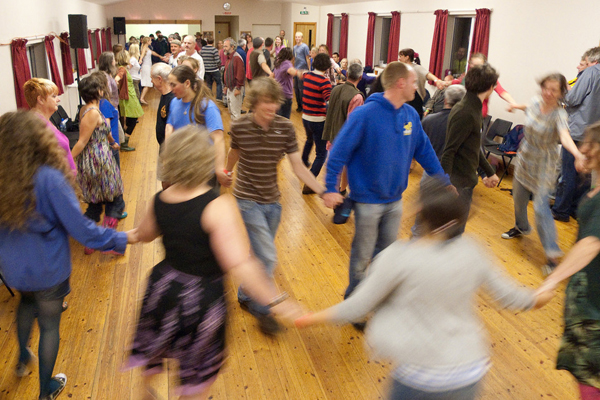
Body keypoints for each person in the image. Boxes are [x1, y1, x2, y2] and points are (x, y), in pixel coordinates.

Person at [297, 178, 552, 400]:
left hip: (420, 377)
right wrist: (537, 298)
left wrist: (308, 318)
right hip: (470, 371)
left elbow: (358, 305)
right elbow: (509, 295)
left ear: (421, 212)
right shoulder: (472, 250)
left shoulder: (397, 257)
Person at [125, 125, 300, 399]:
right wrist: (277, 301)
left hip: (162, 288)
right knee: (197, 375)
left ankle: (146, 391)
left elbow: (141, 235)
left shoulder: (159, 199)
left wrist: (111, 237)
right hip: (200, 300)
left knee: (157, 345)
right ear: (204, 162)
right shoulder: (217, 206)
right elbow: (241, 264)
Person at [0, 111, 133, 400]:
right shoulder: (48, 178)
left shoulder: (3, 177)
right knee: (49, 325)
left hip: (14, 266)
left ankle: (22, 358)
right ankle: (46, 391)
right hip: (47, 268)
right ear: (39, 140)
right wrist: (120, 238)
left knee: (25, 304)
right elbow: (82, 230)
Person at [322, 62, 452, 310]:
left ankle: (375, 296)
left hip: (394, 201)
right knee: (362, 256)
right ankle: (355, 303)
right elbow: (338, 153)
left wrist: (442, 180)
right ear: (400, 83)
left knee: (385, 257)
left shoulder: (410, 115)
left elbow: (424, 150)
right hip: (368, 202)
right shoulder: (365, 115)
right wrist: (330, 188)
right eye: (414, 82)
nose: (418, 87)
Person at [222, 77, 324, 335]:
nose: (271, 108)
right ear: (254, 103)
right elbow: (234, 152)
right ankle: (263, 308)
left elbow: (298, 166)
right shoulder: (241, 125)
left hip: (273, 201)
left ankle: (246, 292)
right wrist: (225, 172)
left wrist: (322, 190)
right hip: (246, 198)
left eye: (275, 103)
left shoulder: (286, 127)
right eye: (266, 103)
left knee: (258, 254)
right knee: (267, 255)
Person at [537, 121, 600, 400]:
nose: (583, 148)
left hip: (595, 306)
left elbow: (591, 243)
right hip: (586, 296)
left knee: (590, 378)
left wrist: (552, 278)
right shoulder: (595, 185)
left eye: (589, 143)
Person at [502, 74, 586, 274]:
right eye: (546, 88)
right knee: (519, 198)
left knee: (540, 208)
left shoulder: (560, 115)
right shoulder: (535, 101)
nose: (548, 93)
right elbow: (528, 107)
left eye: (554, 90)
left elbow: (565, 136)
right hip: (525, 158)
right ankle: (521, 226)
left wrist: (577, 154)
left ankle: (552, 256)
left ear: (561, 93)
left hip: (543, 164)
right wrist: (515, 106)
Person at [440, 64, 500, 235]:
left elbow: (472, 147)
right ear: (490, 88)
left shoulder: (473, 107)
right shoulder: (465, 111)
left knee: (455, 233)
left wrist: (489, 171)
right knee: (452, 235)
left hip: (465, 181)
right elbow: (449, 150)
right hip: (458, 185)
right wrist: (445, 183)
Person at [70, 74, 124, 254]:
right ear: (98, 91)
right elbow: (82, 141)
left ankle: (91, 241)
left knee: (95, 202)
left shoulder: (88, 109)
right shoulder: (93, 113)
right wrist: (68, 161)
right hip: (98, 160)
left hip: (96, 157)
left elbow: (102, 131)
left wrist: (112, 141)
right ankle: (108, 241)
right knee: (115, 199)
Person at [411, 84, 467, 238]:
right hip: (455, 176)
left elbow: (417, 145)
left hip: (430, 175)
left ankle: (416, 240)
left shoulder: (429, 120)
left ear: (445, 99)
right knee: (451, 219)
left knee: (423, 214)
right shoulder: (464, 124)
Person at [552, 47, 600, 222]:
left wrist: (565, 91)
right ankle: (575, 209)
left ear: (593, 61)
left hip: (578, 130)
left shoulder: (591, 72)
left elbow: (573, 100)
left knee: (568, 173)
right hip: (595, 134)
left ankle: (560, 210)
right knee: (585, 175)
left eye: (585, 62)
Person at [165, 65, 227, 187]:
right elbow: (170, 128)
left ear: (187, 83)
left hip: (204, 171)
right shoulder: (174, 103)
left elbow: (218, 138)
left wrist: (219, 169)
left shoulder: (207, 107)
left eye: (173, 85)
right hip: (183, 169)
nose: (170, 88)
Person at [322, 62, 365, 194]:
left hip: (332, 135)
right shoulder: (357, 96)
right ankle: (342, 191)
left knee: (334, 168)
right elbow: (353, 124)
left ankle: (334, 192)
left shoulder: (335, 89)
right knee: (346, 167)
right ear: (360, 77)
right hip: (345, 140)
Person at [23, 78, 76, 174]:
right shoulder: (36, 125)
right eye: (54, 96)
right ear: (41, 100)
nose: (58, 99)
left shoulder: (45, 121)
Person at [300, 53, 333, 192]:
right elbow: (329, 102)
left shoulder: (306, 75)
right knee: (321, 154)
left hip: (305, 117)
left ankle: (303, 161)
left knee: (309, 139)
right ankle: (310, 183)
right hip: (318, 120)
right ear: (326, 67)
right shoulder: (324, 81)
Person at [452, 53, 519, 117]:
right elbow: (458, 82)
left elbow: (501, 91)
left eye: (477, 65)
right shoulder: (468, 76)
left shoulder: (487, 78)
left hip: (478, 113)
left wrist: (513, 102)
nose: (473, 67)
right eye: (472, 63)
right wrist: (444, 82)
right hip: (465, 110)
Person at [98, 51, 134, 153]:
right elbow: (106, 93)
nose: (115, 61)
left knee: (118, 134)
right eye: (113, 59)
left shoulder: (107, 75)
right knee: (115, 136)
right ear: (110, 62)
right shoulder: (105, 76)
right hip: (110, 110)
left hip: (112, 108)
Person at [398, 48, 447, 119]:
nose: (399, 59)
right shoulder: (401, 68)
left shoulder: (417, 68)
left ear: (407, 57)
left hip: (415, 99)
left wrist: (437, 80)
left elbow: (427, 74)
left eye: (400, 56)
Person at [151, 63, 175, 190]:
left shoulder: (172, 100)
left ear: (159, 79)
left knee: (168, 183)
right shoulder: (165, 95)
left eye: (152, 78)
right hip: (164, 149)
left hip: (169, 151)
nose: (151, 81)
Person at [115, 50, 144, 150]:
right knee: (133, 118)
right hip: (129, 97)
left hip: (129, 96)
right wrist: (115, 82)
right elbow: (117, 78)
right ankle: (124, 142)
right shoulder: (122, 69)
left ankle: (124, 140)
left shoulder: (121, 68)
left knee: (129, 119)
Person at [272, 47, 302, 119]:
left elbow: (272, 75)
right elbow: (291, 70)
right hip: (285, 94)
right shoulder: (287, 63)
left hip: (277, 93)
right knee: (284, 119)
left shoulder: (278, 63)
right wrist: (299, 73)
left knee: (277, 118)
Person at [223, 37, 246, 120]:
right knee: (231, 111)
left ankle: (237, 132)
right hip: (230, 88)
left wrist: (238, 88)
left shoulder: (236, 58)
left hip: (235, 88)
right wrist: (226, 86)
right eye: (223, 46)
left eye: (226, 46)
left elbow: (240, 74)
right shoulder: (229, 57)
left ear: (232, 47)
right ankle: (234, 131)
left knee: (236, 113)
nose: (224, 49)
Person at [200, 37, 222, 102]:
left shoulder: (203, 49)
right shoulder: (214, 50)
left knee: (209, 84)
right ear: (213, 42)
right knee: (218, 83)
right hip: (214, 69)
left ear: (207, 42)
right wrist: (219, 64)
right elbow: (217, 61)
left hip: (206, 70)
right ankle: (218, 98)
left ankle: (209, 97)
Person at [293, 32, 311, 112]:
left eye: (299, 37)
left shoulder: (305, 47)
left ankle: (304, 105)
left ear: (302, 38)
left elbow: (307, 58)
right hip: (296, 70)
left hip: (302, 70)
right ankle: (299, 105)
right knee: (296, 88)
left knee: (301, 88)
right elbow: (294, 58)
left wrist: (309, 69)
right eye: (296, 37)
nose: (297, 38)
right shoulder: (294, 47)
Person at [138, 37, 155, 105]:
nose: (151, 41)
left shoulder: (147, 47)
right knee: (147, 84)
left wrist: (160, 57)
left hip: (147, 66)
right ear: (147, 41)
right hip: (146, 66)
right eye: (150, 40)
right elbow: (142, 55)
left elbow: (153, 53)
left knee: (146, 83)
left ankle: (141, 98)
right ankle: (142, 98)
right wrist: (140, 59)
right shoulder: (145, 47)